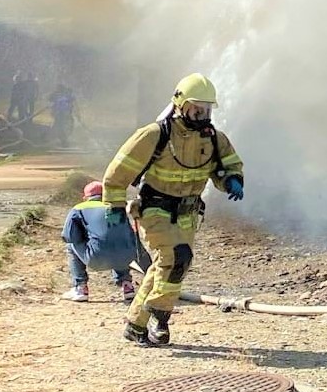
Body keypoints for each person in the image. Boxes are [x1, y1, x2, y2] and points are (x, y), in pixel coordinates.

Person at [101, 73, 244, 347]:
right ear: (180, 104)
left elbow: (229, 164)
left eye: (207, 109)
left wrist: (232, 181)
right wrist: (114, 207)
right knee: (177, 257)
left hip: (188, 214)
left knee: (163, 267)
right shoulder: (154, 135)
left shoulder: (214, 139)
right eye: (196, 108)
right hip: (155, 210)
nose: (202, 114)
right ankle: (160, 316)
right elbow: (118, 172)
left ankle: (135, 324)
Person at [60, 180, 140, 303]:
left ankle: (80, 288)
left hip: (97, 258)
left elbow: (68, 236)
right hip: (127, 257)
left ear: (85, 197)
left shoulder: (79, 208)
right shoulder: (118, 207)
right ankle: (127, 286)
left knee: (71, 246)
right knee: (117, 241)